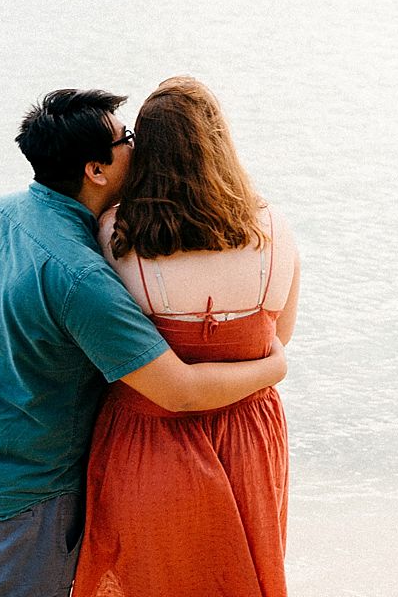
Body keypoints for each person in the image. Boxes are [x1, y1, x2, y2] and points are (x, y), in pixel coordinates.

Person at [0, 88, 289, 597]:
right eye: (128, 139)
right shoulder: (81, 275)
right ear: (96, 170)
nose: (140, 148)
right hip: (20, 502)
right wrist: (274, 367)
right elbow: (178, 391)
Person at [72, 76, 302, 597]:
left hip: (149, 439)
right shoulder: (274, 227)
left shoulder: (116, 236)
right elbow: (278, 337)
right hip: (249, 439)